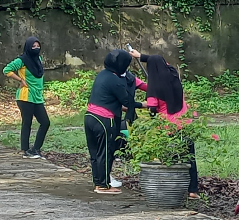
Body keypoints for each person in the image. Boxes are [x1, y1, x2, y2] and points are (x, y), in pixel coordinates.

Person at [126, 45, 199, 196]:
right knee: (189, 158)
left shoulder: (154, 89)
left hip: (167, 128)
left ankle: (172, 190)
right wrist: (141, 56)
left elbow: (152, 107)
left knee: (170, 159)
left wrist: (141, 105)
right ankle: (193, 189)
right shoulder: (174, 77)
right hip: (185, 124)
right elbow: (161, 62)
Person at [85, 50, 140, 195]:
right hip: (104, 120)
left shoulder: (102, 75)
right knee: (106, 152)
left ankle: (98, 183)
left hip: (90, 116)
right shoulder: (115, 80)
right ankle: (103, 186)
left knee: (95, 153)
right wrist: (145, 105)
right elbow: (127, 102)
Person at [4, 36, 50, 158]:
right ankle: (25, 150)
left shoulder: (38, 59)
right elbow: (7, 70)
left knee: (45, 122)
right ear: (28, 47)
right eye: (33, 46)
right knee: (27, 123)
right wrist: (20, 79)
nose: (36, 48)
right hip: (25, 96)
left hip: (37, 96)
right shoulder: (22, 60)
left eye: (38, 46)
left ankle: (35, 149)